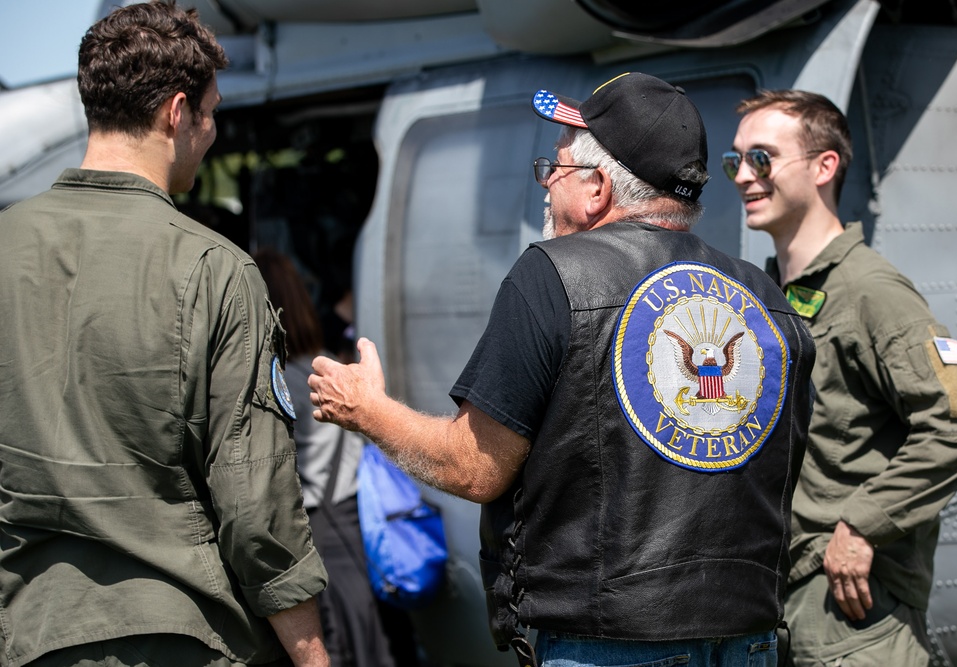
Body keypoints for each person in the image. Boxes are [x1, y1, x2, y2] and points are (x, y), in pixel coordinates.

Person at [309, 72, 816, 667]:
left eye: (556, 170)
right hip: (747, 637)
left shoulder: (552, 275)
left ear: (597, 189)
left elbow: (473, 468)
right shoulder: (770, 301)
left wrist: (368, 411)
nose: (547, 186)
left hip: (605, 640)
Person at [0, 3, 329, 666]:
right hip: (179, 638)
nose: (210, 134)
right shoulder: (215, 270)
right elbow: (256, 507)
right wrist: (314, 656)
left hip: (29, 635)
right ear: (178, 113)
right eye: (211, 114)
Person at [725, 89, 957, 666]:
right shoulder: (777, 298)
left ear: (825, 166)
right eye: (736, 161)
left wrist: (861, 526)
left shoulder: (872, 292)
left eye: (762, 158)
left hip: (854, 616)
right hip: (786, 605)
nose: (744, 175)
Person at [253, 248, 399, 667]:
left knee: (336, 641)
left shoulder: (274, 384)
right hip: (353, 519)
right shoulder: (330, 369)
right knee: (368, 635)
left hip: (317, 527)